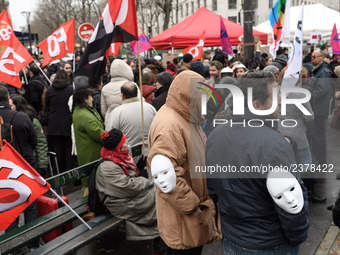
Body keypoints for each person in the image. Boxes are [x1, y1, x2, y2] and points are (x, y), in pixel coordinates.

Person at [206, 70, 309, 254]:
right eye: (275, 95)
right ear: (257, 105)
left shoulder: (216, 136)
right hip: (269, 243)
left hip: (234, 238)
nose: (280, 100)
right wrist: (297, 238)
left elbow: (213, 189)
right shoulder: (274, 145)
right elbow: (291, 204)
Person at [147, 70, 220, 254]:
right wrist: (192, 206)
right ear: (189, 96)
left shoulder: (185, 115)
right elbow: (164, 173)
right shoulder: (170, 124)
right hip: (184, 216)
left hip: (192, 213)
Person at [95, 128, 159, 241]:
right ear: (118, 147)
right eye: (124, 142)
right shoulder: (106, 168)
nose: (127, 143)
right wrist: (145, 180)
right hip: (119, 203)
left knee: (158, 194)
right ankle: (161, 239)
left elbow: (128, 181)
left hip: (125, 197)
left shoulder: (117, 158)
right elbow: (127, 187)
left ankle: (161, 237)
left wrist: (139, 168)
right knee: (157, 197)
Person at [0, 85, 40, 251]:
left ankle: (13, 247)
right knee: (30, 205)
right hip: (25, 166)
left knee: (10, 206)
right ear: (8, 99)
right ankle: (33, 243)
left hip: (3, 170)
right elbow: (34, 141)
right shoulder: (22, 117)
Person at [106, 82, 156, 164]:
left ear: (122, 95)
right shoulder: (150, 108)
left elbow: (109, 136)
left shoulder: (116, 112)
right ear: (137, 93)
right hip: (151, 155)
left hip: (129, 160)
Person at [10, 94, 48, 177]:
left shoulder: (32, 121)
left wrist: (42, 165)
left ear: (18, 106)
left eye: (11, 106)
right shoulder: (11, 120)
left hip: (32, 161)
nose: (9, 108)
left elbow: (40, 143)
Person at [45, 69, 74, 174]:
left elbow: (46, 104)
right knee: (69, 148)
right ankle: (70, 172)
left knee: (57, 149)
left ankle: (59, 172)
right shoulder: (71, 89)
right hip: (67, 122)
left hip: (54, 124)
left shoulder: (50, 90)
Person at [308, 49, 334, 165]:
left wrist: (307, 96)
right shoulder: (318, 70)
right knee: (317, 134)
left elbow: (321, 91)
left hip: (319, 108)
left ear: (322, 58)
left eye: (315, 57)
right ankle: (319, 158)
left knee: (319, 135)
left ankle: (321, 160)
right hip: (316, 107)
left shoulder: (324, 72)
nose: (312, 59)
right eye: (312, 57)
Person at [101, 59, 135, 124]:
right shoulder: (132, 86)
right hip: (129, 121)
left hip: (111, 122)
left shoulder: (105, 88)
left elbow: (104, 111)